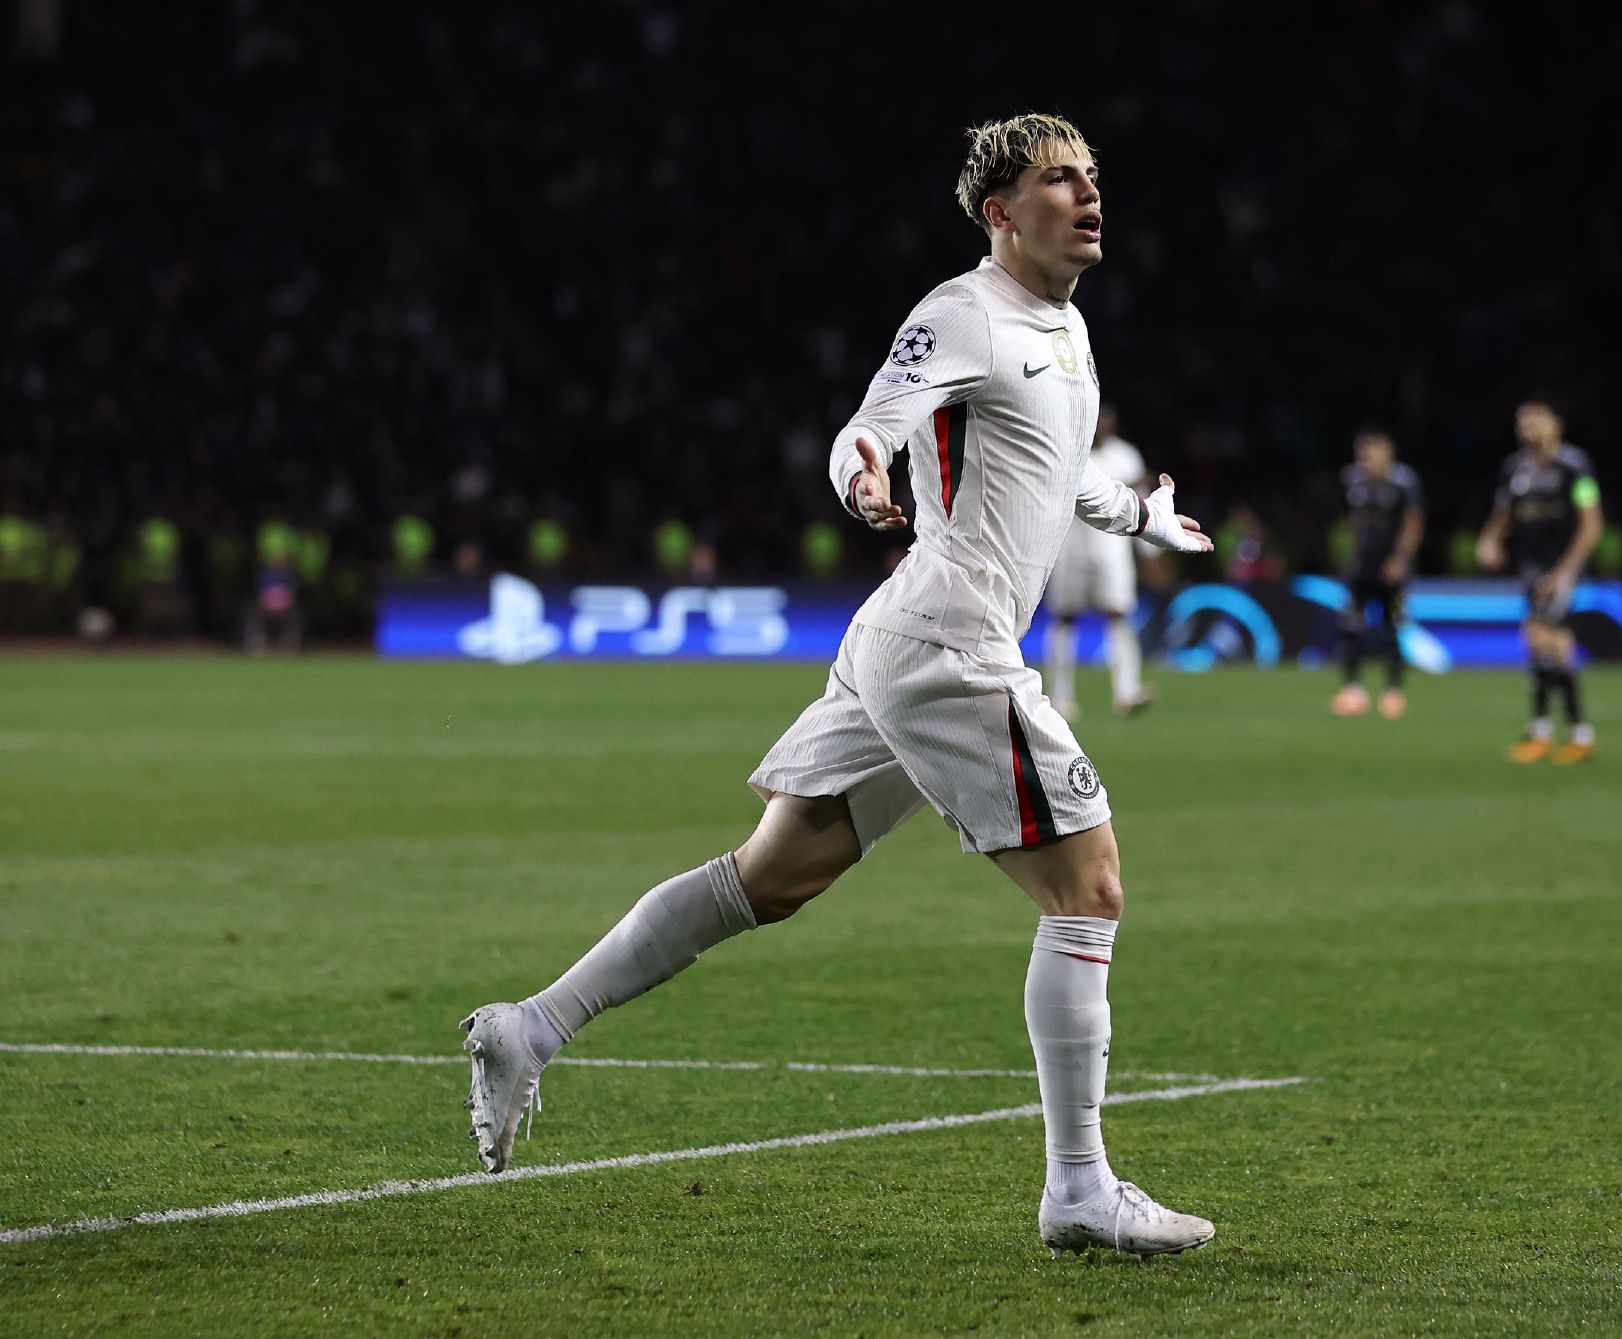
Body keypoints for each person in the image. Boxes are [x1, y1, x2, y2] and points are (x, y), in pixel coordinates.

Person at [460, 114, 1219, 1260]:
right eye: (1059, 179)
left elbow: (1054, 473)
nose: (1087, 192)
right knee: (1090, 886)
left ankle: (531, 1025)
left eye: (1092, 175)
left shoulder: (1065, 328)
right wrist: (863, 474)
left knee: (770, 876)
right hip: (949, 641)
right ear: (1000, 213)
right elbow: (868, 428)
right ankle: (1079, 1187)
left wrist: (1139, 514)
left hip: (904, 643)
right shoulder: (960, 314)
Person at [1476, 400, 1603, 763]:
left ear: (1556, 425)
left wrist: (1564, 572)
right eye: (1523, 423)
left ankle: (1573, 733)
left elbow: (1591, 523)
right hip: (1530, 569)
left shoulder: (1574, 467)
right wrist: (1490, 539)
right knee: (1540, 646)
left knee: (1547, 640)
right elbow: (1504, 513)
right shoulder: (1516, 469)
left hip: (1562, 569)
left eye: (1535, 421)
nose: (1527, 429)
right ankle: (1546, 731)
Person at [1044, 406, 1154, 719]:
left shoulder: (1127, 456)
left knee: (1118, 614)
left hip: (1113, 550)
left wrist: (1150, 554)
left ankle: (1127, 691)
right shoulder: (1067, 448)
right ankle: (1061, 697)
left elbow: (1140, 508)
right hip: (1070, 547)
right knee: (1065, 617)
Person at [1330, 427, 1424, 718]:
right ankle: (1353, 690)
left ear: (1387, 453)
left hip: (1390, 566)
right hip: (1362, 566)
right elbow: (1349, 520)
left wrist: (1400, 559)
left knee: (1390, 628)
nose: (1365, 459)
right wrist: (1348, 554)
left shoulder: (1403, 482)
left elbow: (1413, 522)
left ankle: (1393, 692)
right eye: (1362, 454)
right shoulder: (1353, 480)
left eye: (1370, 453)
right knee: (1351, 626)